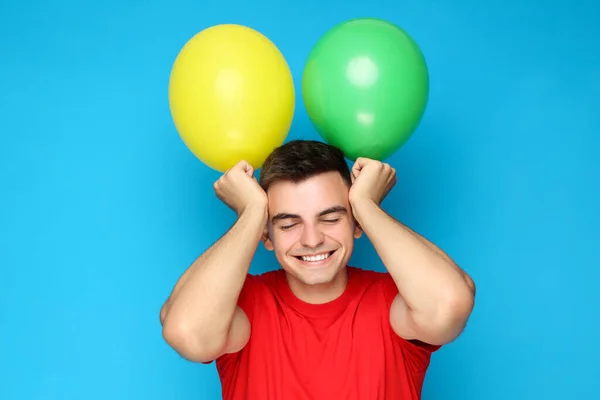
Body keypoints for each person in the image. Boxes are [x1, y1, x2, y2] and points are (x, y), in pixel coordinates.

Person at [159, 140, 476, 399]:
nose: (312, 240)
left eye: (331, 218)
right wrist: (251, 213)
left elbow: (449, 305)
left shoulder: (395, 302)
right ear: (266, 235)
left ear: (356, 224)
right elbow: (187, 332)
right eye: (288, 223)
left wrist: (366, 205)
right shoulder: (243, 308)